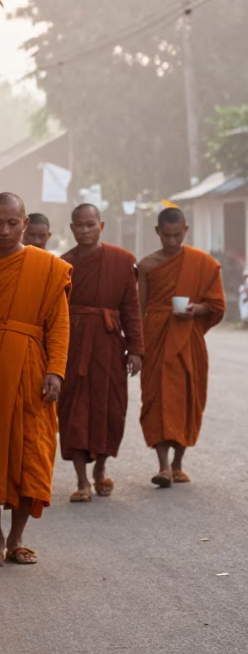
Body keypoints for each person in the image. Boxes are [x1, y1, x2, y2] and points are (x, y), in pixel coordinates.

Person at [0, 192, 70, 566]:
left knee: (32, 454)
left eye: (13, 223)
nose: (5, 230)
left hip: (32, 369)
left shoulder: (46, 267)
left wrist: (55, 370)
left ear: (26, 224)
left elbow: (58, 325)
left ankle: (18, 537)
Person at [59, 204, 143, 501]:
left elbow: (131, 308)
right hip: (73, 344)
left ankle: (101, 469)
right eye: (79, 225)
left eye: (90, 225)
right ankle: (82, 480)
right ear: (71, 228)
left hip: (108, 345)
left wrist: (136, 349)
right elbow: (55, 313)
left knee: (109, 406)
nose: (84, 230)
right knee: (74, 408)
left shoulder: (122, 261)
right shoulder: (63, 264)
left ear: (101, 226)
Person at [137, 206, 225, 487]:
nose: (173, 241)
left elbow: (216, 306)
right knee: (157, 399)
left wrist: (196, 309)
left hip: (188, 338)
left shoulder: (203, 264)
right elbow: (139, 309)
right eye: (167, 236)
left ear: (185, 230)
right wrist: (135, 346)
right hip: (157, 336)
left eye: (177, 235)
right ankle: (163, 466)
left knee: (189, 397)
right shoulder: (147, 266)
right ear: (157, 232)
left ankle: (177, 463)